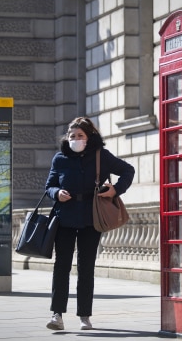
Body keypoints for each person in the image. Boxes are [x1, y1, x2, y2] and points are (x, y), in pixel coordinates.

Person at [44, 117, 135, 331]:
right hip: (64, 218)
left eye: (80, 136)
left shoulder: (101, 156)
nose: (75, 139)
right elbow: (49, 186)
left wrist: (116, 189)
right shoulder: (60, 158)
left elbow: (128, 170)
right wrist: (57, 193)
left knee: (86, 268)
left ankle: (84, 315)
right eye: (72, 136)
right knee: (61, 266)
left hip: (91, 218)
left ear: (89, 137)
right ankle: (57, 314)